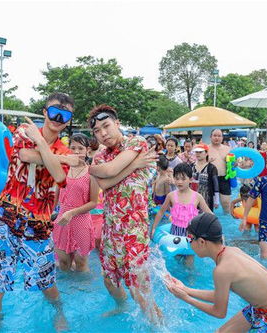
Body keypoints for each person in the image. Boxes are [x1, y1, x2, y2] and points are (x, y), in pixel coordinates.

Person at [0, 93, 79, 330]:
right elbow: (24, 155)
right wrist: (59, 157)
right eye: (54, 111)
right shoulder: (25, 129)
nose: (58, 118)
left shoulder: (61, 147)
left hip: (39, 224)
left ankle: (58, 311)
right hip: (7, 218)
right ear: (45, 112)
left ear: (68, 120)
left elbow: (60, 175)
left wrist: (43, 145)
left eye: (64, 115)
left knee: (47, 284)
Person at [88, 104, 162, 322]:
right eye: (97, 131)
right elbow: (102, 183)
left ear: (117, 123)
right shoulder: (101, 156)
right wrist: (133, 165)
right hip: (111, 228)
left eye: (106, 126)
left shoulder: (135, 142)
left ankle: (159, 325)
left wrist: (99, 170)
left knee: (139, 288)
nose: (103, 133)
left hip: (134, 229)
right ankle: (121, 307)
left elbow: (109, 173)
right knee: (109, 279)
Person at [166, 213, 267, 333]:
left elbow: (219, 312)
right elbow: (219, 297)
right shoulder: (231, 251)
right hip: (264, 308)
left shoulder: (222, 270)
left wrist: (185, 298)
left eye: (190, 240)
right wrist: (186, 289)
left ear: (201, 241)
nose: (189, 244)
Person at [53, 134, 99, 272]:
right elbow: (56, 192)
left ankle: (82, 290)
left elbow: (93, 202)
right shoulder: (63, 169)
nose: (76, 152)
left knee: (81, 264)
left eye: (80, 148)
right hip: (62, 220)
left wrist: (72, 212)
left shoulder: (92, 172)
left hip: (81, 221)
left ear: (87, 151)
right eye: (73, 148)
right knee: (63, 263)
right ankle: (66, 292)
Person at [152, 163, 212, 266]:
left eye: (183, 179)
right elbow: (161, 211)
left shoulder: (197, 197)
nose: (179, 182)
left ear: (190, 179)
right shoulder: (171, 196)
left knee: (189, 262)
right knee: (176, 259)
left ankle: (190, 280)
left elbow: (209, 214)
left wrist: (216, 232)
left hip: (191, 233)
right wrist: (153, 228)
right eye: (177, 178)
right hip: (175, 231)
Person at [208, 129, 232, 213]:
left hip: (224, 178)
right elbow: (197, 162)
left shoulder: (228, 149)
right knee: (208, 204)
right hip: (209, 179)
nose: (217, 138)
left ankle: (227, 220)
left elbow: (233, 164)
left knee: (226, 203)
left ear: (222, 138)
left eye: (219, 136)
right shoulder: (206, 149)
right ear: (210, 137)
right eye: (214, 135)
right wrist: (207, 161)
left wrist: (234, 163)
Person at [191, 143, 219, 211]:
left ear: (206, 153)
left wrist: (216, 200)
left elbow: (216, 184)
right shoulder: (191, 166)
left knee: (206, 219)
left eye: (200, 152)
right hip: (192, 198)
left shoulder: (211, 168)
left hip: (207, 198)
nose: (198, 154)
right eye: (196, 152)